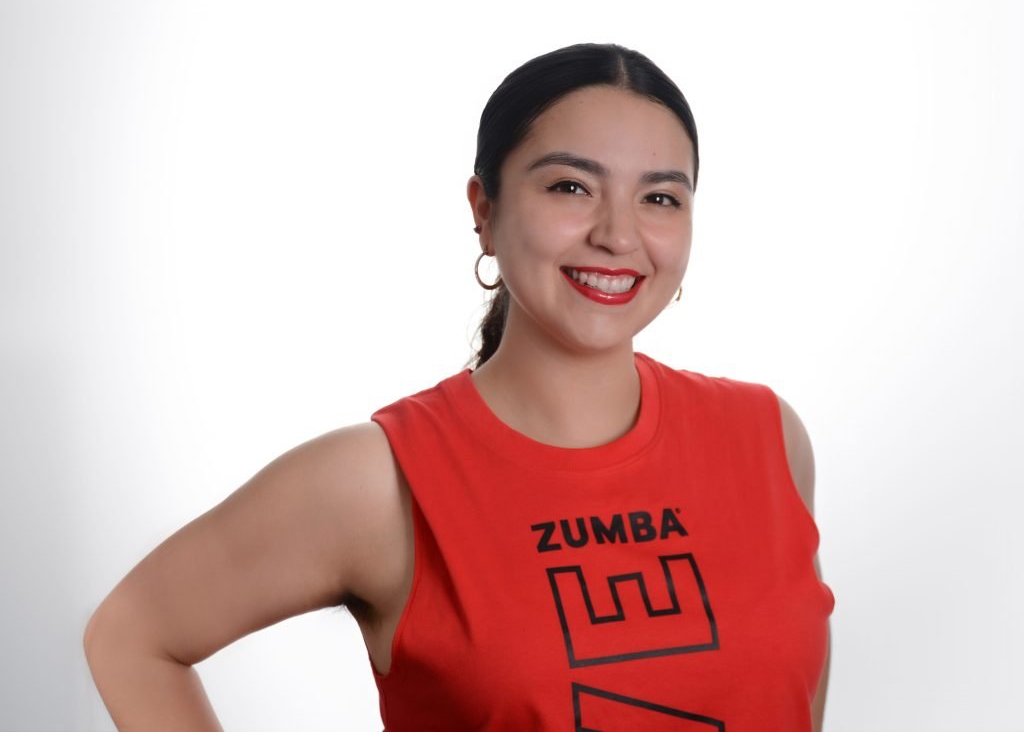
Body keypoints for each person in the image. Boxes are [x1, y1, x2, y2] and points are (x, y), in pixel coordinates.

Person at [84, 43, 833, 731]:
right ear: (484, 211)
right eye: (572, 187)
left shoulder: (768, 440)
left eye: (660, 198)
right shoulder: (378, 481)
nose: (618, 234)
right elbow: (132, 637)